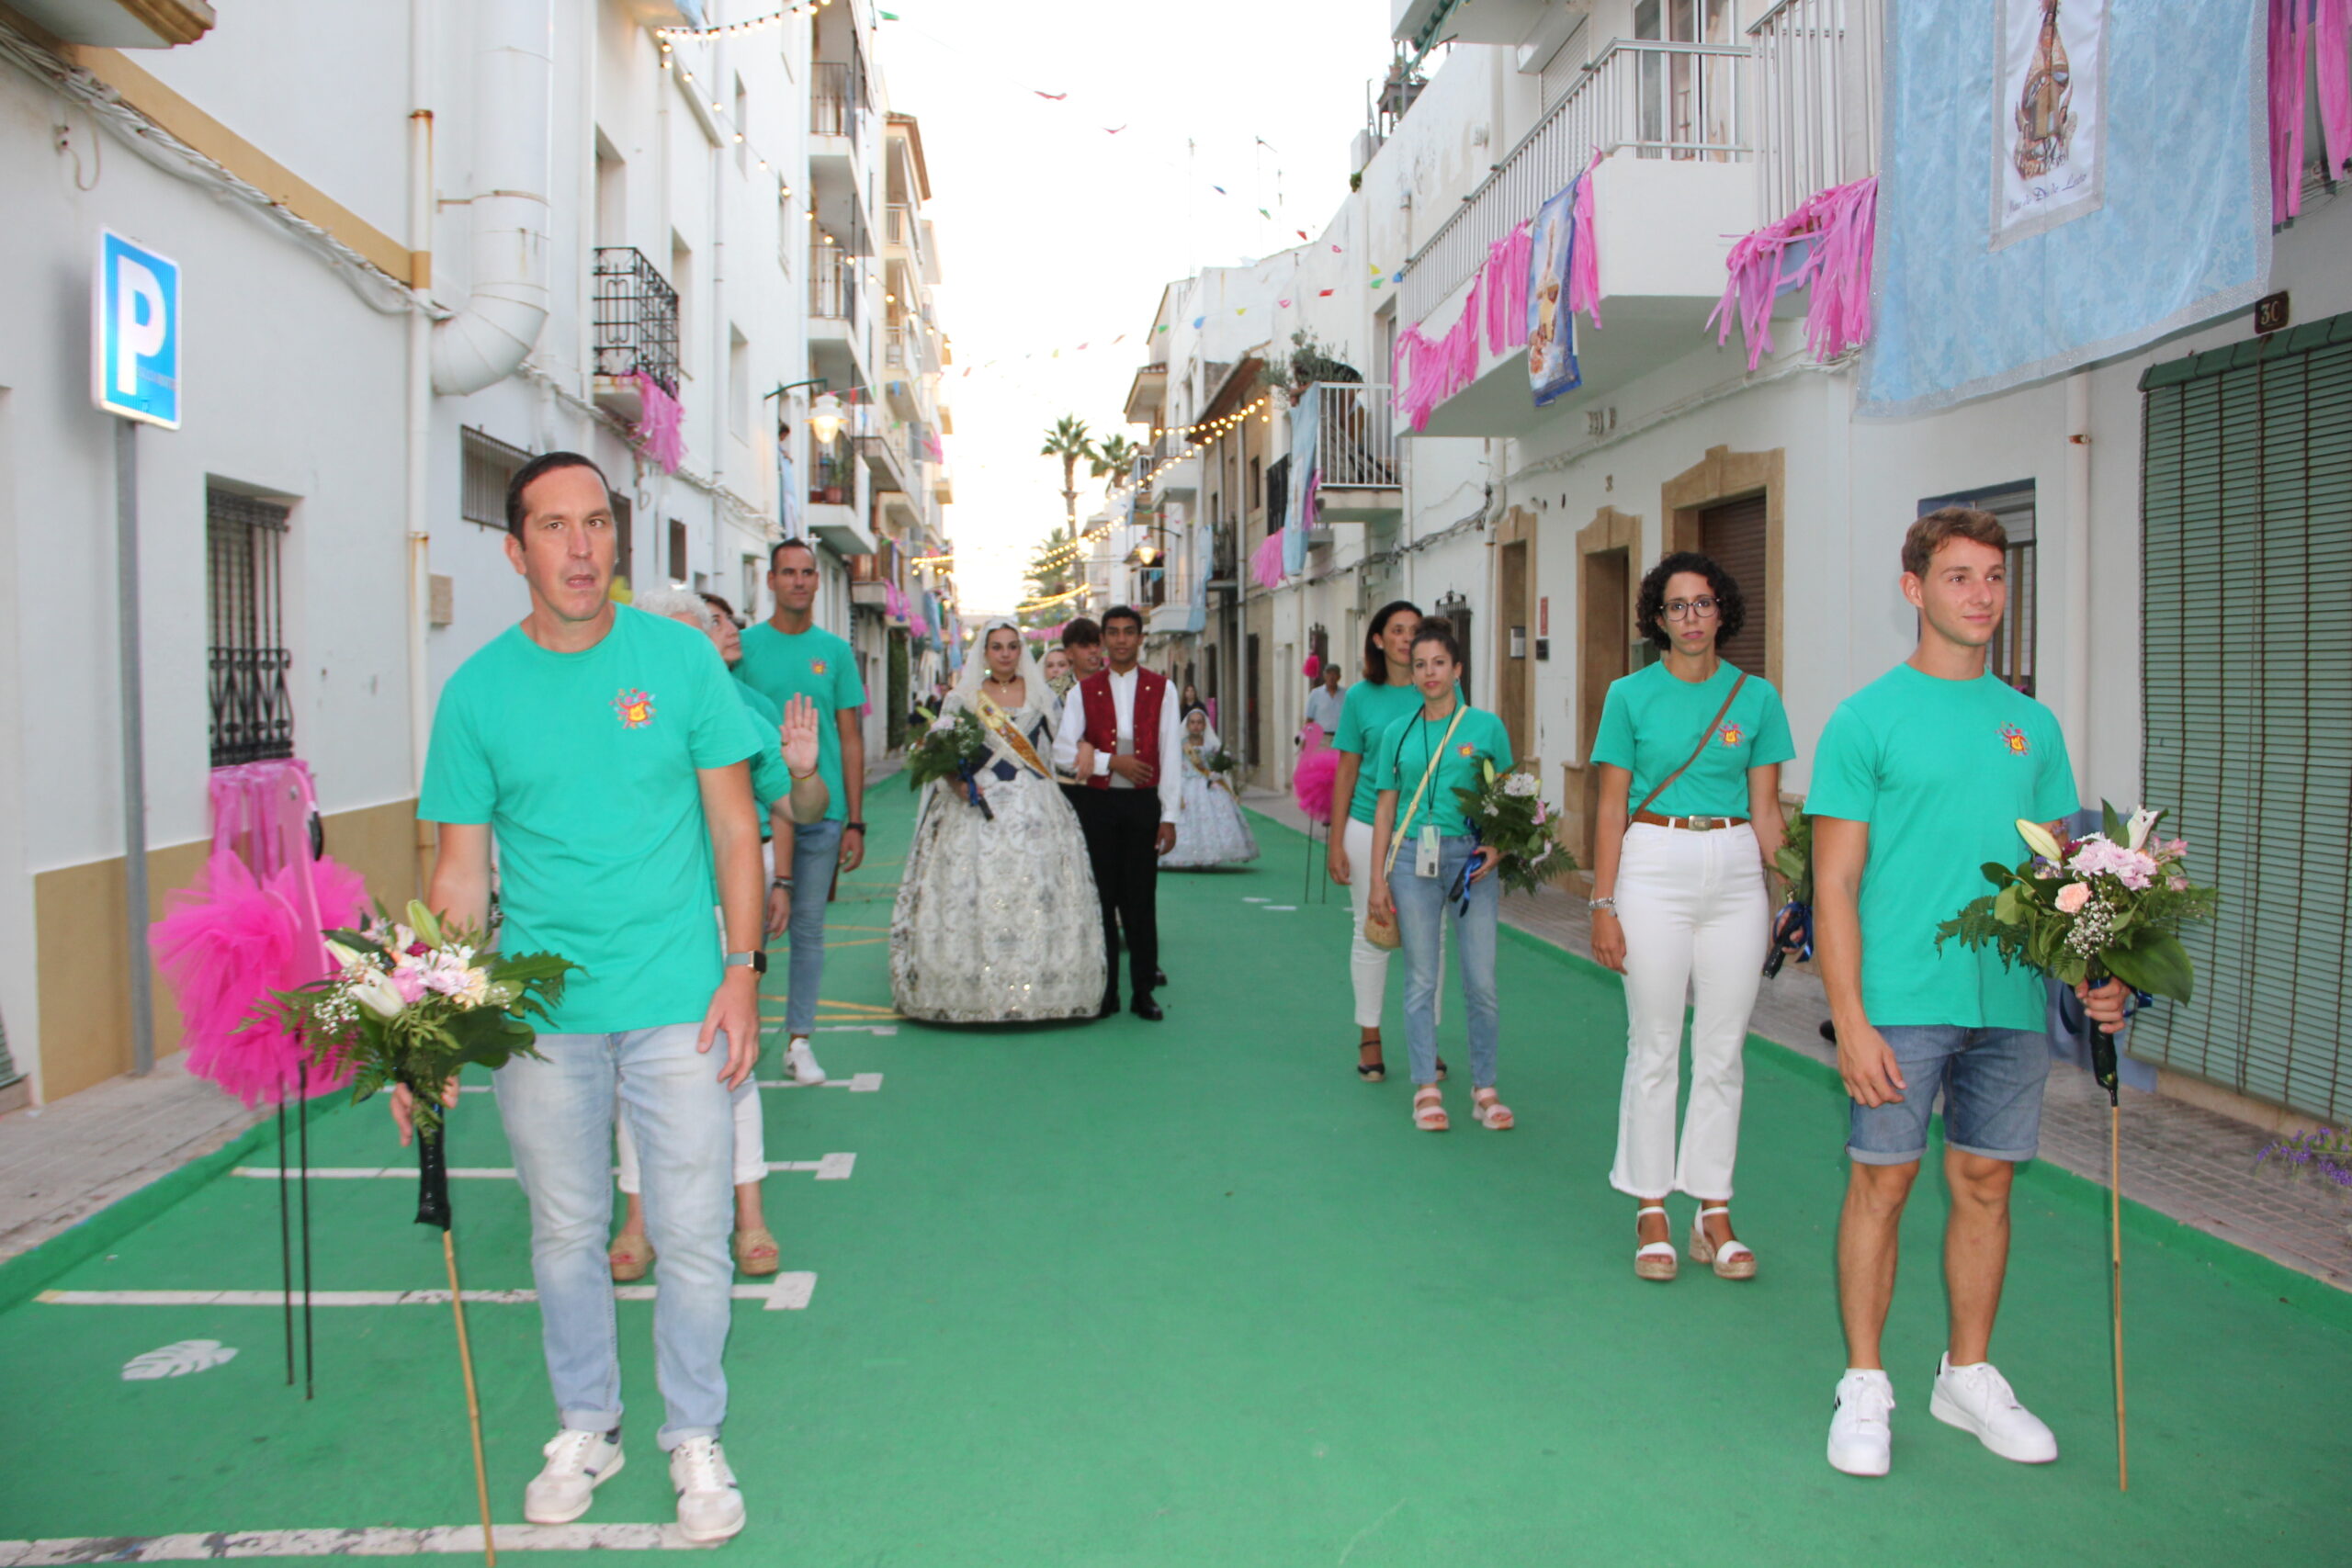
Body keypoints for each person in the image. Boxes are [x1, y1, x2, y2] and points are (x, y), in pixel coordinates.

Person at [401, 451, 761, 1539]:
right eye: (553, 528)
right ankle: (587, 1427)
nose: (580, 548)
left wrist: (741, 972)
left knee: (693, 1232)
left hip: (678, 1001)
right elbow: (459, 876)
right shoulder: (475, 693)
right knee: (565, 1232)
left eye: (597, 524)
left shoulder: (683, 664)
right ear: (516, 551)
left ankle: (694, 1434)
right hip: (543, 1020)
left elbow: (736, 828)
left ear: (619, 539)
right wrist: (432, 1027)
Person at [1810, 507, 2130, 1479]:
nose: (1981, 594)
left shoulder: (2030, 728)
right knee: (1885, 1181)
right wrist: (1851, 1018)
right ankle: (1864, 1381)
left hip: (2009, 998)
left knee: (1985, 1183)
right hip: (1900, 993)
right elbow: (1831, 883)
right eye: (1958, 577)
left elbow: (2062, 876)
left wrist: (2094, 975)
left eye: (1993, 577)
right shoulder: (1864, 719)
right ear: (1915, 590)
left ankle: (1967, 1374)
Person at [607, 589, 831, 1283]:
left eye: (690, 641)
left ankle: (751, 1214)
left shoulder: (744, 713)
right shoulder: (625, 708)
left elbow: (800, 806)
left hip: (721, 914)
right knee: (630, 1068)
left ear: (712, 648)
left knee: (730, 1062)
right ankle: (638, 1218)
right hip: (639, 918)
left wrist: (802, 769)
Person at [1587, 553, 1792, 1283]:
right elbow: (1609, 807)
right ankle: (1650, 1204)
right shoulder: (1628, 695)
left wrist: (1796, 889)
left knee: (1725, 1047)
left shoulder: (1756, 697)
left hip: (1735, 870)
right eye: (1678, 606)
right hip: (1652, 863)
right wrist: (1603, 902)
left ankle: (1713, 1207)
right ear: (1659, 619)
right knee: (1656, 1043)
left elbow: (1767, 813)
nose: (1693, 617)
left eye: (1704, 603)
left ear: (1722, 610)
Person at [890, 620, 1107, 1021]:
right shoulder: (965, 697)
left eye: (1011, 646)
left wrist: (1086, 745)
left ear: (1020, 650)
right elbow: (944, 748)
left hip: (1035, 807)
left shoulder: (1041, 696)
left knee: (1038, 888)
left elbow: (1059, 748)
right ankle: (969, 989)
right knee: (974, 889)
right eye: (997, 647)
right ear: (985, 653)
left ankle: (1047, 987)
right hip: (977, 806)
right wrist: (956, 782)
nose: (1005, 654)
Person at [1366, 619, 1514, 1133]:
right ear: (1412, 673)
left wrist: (1497, 846)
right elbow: (1386, 808)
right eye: (1420, 664)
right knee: (1421, 979)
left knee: (1482, 981)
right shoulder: (1396, 733)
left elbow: (1509, 799)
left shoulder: (1486, 728)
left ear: (1457, 670)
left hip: (1472, 864)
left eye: (1439, 664)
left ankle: (1485, 1088)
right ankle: (1426, 1087)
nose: (1429, 673)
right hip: (1411, 861)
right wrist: (1376, 880)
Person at [734, 538, 868, 1088]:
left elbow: (851, 737)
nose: (798, 581)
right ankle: (741, 1035)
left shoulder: (834, 652)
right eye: (787, 572)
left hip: (822, 812)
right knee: (750, 936)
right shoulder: (741, 649)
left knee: (809, 931)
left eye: (807, 573)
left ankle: (799, 1042)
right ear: (770, 581)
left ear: (817, 581)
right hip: (758, 816)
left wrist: (855, 819)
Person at [1325, 601, 1434, 1082]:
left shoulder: (1440, 689)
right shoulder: (1360, 698)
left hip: (1428, 830)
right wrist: (1334, 840)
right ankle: (1370, 1034)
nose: (1407, 639)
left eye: (1415, 630)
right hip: (1368, 826)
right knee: (1371, 932)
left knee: (1431, 938)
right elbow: (1346, 770)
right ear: (1378, 639)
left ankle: (1425, 1038)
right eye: (1397, 630)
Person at [1054, 605, 1181, 1020]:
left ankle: (1142, 991)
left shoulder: (1163, 689)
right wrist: (1111, 762)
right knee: (1102, 899)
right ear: (1104, 640)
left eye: (1129, 632)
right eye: (1114, 633)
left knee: (1141, 901)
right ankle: (1104, 991)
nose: (1121, 639)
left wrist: (1170, 816)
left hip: (1143, 803)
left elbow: (1171, 754)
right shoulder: (1082, 692)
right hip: (1099, 805)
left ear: (1141, 638)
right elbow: (1061, 751)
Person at [1161, 706, 1259, 870]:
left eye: (1199, 722)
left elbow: (1217, 764)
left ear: (1205, 725)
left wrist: (1217, 772)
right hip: (1186, 784)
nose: (1196, 726)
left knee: (1212, 818)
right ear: (1187, 725)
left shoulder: (1211, 745)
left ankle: (1209, 855)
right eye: (1192, 722)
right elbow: (1173, 765)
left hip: (1207, 785)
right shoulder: (1180, 745)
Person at [1304, 660, 1346, 739]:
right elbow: (1309, 719)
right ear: (1324, 676)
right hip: (1322, 737)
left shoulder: (1345, 694)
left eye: (1334, 674)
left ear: (1339, 677)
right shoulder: (1315, 694)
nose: (1331, 677)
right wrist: (1305, 740)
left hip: (1341, 738)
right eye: (1329, 673)